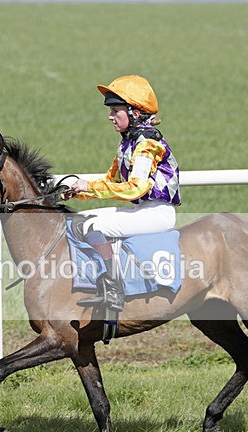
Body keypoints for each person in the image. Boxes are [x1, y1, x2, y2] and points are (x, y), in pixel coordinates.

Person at [70, 75, 181, 311]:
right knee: (81, 221)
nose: (110, 116)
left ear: (135, 113)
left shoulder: (147, 143)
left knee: (92, 228)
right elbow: (110, 180)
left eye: (116, 111)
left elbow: (135, 188)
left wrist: (88, 187)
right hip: (143, 209)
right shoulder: (128, 142)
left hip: (157, 214)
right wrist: (76, 191)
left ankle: (113, 291)